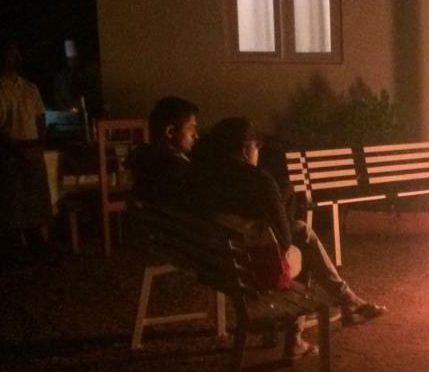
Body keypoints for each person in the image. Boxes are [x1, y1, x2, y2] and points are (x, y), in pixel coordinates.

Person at [190, 118, 386, 353]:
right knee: (303, 247)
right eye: (256, 148)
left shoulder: (205, 178)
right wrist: (283, 199)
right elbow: (283, 241)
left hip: (217, 265)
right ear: (246, 149)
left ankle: (347, 302)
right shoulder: (259, 181)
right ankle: (305, 332)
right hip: (254, 272)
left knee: (302, 230)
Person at [0, 41, 53, 257]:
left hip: (32, 145)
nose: (13, 58)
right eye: (9, 54)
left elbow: (40, 118)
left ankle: (36, 241)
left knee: (36, 198)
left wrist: (41, 144)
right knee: (14, 200)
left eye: (16, 54)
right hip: (11, 149)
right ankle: (15, 246)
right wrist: (17, 149)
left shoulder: (30, 88)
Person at [128, 96, 199, 206]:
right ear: (170, 131)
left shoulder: (145, 158)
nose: (196, 135)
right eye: (191, 128)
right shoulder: (177, 170)